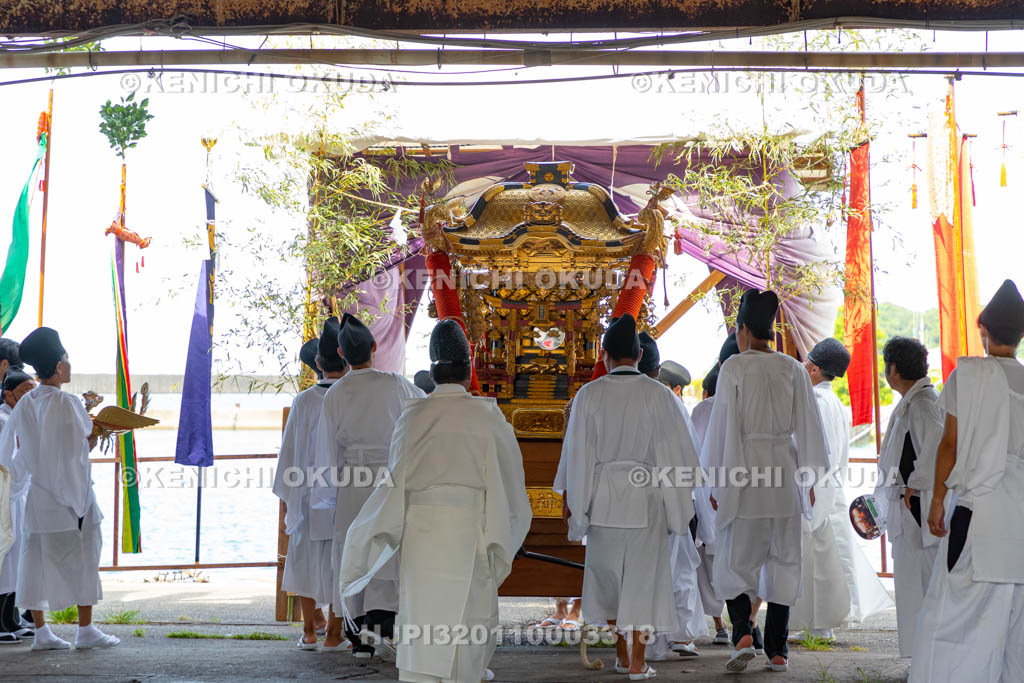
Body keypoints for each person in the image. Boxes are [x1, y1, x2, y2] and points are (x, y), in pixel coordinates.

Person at [338, 319, 531, 683]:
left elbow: (393, 484)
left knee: (423, 618)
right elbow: (510, 484)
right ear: (469, 372)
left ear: (433, 372)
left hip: (421, 538)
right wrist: (506, 531)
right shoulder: (487, 416)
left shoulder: (413, 417)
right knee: (469, 619)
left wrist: (368, 536)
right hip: (471, 532)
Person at [556, 314, 700, 680]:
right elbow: (677, 456)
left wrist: (574, 504)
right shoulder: (659, 395)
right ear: (638, 355)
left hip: (602, 499)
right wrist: (679, 505)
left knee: (609, 581)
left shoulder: (589, 395)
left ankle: (622, 655)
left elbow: (577, 456)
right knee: (642, 582)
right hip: (646, 500)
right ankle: (637, 660)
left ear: (604, 356)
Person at [701, 290, 829, 673]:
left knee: (736, 557)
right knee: (785, 559)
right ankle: (777, 651)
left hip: (745, 475)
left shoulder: (735, 368)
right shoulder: (793, 369)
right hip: (784, 476)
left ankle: (742, 632)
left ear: (743, 330)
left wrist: (717, 482)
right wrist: (808, 479)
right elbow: (810, 428)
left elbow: (722, 429)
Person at [911, 279, 1024, 682]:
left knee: (953, 617)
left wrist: (937, 501)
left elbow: (950, 445)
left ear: (984, 330)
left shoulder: (969, 375)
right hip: (1019, 511)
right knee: (1014, 624)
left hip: (978, 511)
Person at [0, 327, 119, 651]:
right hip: (71, 500)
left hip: (38, 496)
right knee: (84, 558)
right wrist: (97, 436)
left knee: (34, 563)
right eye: (66, 358)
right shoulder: (67, 402)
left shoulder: (26, 402)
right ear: (57, 366)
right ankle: (85, 629)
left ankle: (42, 632)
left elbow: (19, 452)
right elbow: (76, 451)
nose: (69, 364)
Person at [315, 313, 425, 659]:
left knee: (353, 548)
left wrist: (327, 496)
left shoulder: (335, 394)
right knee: (385, 546)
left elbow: (327, 453)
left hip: (352, 480)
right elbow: (425, 411)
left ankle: (358, 636)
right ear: (374, 347)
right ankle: (382, 627)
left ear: (340, 353)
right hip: (388, 479)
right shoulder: (396, 384)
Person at [790, 338, 892, 642]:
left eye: (806, 362)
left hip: (816, 486)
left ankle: (822, 624)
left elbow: (813, 450)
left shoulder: (816, 402)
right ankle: (821, 623)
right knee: (828, 555)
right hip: (830, 485)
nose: (802, 366)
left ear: (814, 369)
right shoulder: (833, 401)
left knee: (820, 557)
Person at [274, 318, 349, 651]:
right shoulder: (351, 396)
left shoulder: (304, 401)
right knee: (340, 560)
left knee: (304, 558)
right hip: (345, 493)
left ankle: (308, 631)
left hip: (306, 492)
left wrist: (288, 496)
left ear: (318, 363)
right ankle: (334, 632)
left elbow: (289, 453)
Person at [873, 336, 944, 658]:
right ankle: (922, 658)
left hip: (916, 508)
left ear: (894, 369)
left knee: (920, 586)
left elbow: (936, 445)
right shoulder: (915, 401)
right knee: (912, 585)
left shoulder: (924, 403)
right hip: (909, 505)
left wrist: (915, 483)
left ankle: (927, 659)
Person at [688, 363, 730, 646]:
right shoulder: (741, 405)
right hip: (740, 486)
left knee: (705, 564)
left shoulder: (703, 409)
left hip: (706, 491)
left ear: (706, 391)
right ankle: (744, 623)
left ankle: (719, 624)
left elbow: (694, 453)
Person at [0, 368, 36, 644]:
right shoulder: (3, 420)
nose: (31, 396)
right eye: (26, 391)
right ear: (9, 395)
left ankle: (11, 618)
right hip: (6, 497)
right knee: (6, 558)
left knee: (18, 559)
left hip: (19, 496)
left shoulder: (21, 419)